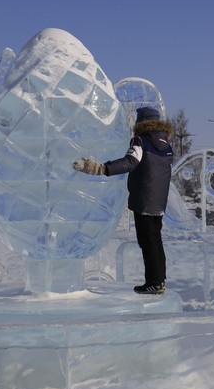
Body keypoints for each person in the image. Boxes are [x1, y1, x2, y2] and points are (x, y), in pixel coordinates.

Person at [74, 106, 174, 294]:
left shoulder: (140, 141)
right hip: (159, 200)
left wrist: (101, 168)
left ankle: (154, 282)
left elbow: (131, 162)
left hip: (144, 198)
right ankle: (159, 280)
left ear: (141, 123)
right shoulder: (166, 144)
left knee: (147, 242)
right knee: (156, 241)